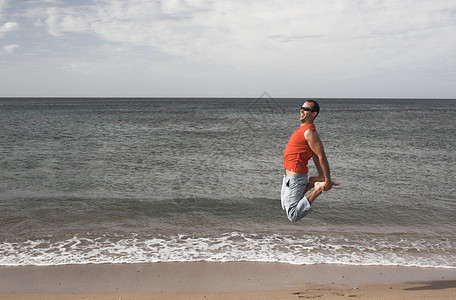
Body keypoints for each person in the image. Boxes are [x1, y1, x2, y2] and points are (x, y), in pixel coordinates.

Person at [281, 100, 338, 222]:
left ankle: (317, 189)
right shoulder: (302, 130)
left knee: (293, 215)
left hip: (295, 177)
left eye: (306, 109)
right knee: (285, 206)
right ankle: (312, 183)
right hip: (288, 177)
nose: (302, 110)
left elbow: (321, 156)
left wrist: (327, 180)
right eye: (302, 108)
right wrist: (320, 175)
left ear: (314, 114)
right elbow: (314, 156)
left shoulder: (309, 133)